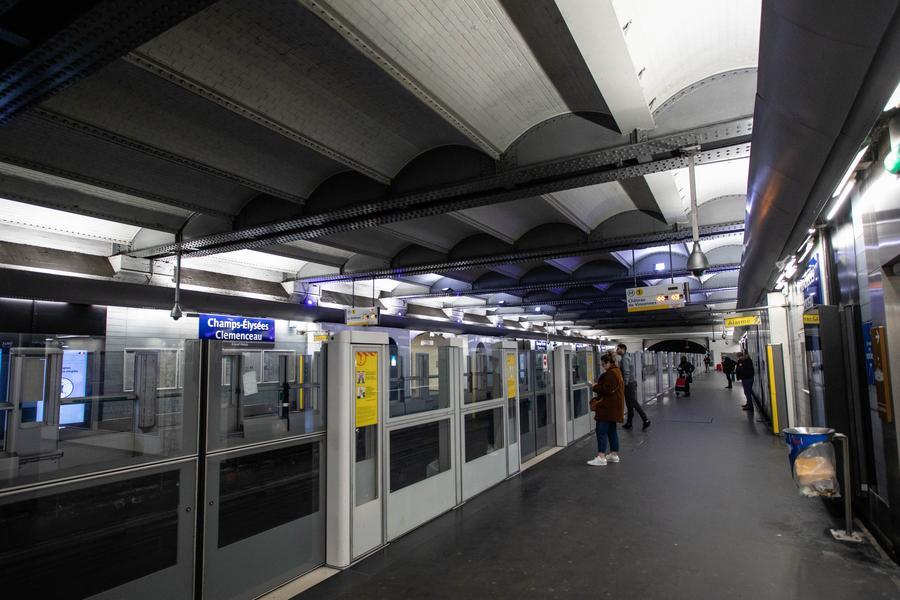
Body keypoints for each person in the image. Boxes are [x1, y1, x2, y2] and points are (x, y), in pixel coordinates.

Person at [587, 353, 625, 466]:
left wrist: (594, 386)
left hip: (607, 408)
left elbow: (606, 390)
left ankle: (601, 457)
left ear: (608, 363)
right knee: (612, 431)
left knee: (601, 431)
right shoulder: (617, 371)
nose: (603, 366)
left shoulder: (611, 374)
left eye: (604, 364)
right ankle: (614, 455)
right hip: (614, 408)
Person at [616, 343, 650, 430]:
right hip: (630, 383)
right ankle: (629, 422)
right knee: (629, 403)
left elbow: (626, 372)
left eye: (618, 348)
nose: (617, 350)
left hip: (629, 384)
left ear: (623, 349)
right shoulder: (626, 357)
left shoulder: (625, 359)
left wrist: (625, 383)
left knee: (633, 402)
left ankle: (645, 419)